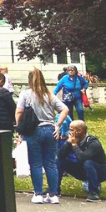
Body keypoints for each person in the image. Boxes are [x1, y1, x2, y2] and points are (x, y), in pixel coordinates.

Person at [17, 68, 70, 204]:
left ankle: (38, 193)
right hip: (50, 130)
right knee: (50, 163)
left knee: (35, 163)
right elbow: (65, 109)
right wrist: (57, 125)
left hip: (33, 131)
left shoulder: (25, 94)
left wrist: (20, 129)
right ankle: (53, 194)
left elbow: (19, 112)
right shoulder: (49, 94)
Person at [57, 120, 106, 202]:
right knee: (60, 161)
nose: (69, 132)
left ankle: (94, 193)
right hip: (82, 170)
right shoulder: (73, 140)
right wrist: (68, 144)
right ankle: (55, 189)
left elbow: (83, 158)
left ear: (79, 131)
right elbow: (59, 155)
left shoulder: (93, 142)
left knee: (88, 163)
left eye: (72, 130)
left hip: (99, 172)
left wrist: (74, 145)